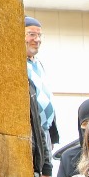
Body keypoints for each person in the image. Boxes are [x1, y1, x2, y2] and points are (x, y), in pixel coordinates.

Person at [25, 16, 60, 153]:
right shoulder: (18, 64)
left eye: (39, 35)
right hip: (32, 133)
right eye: (32, 35)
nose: (37, 40)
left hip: (45, 132)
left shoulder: (38, 64)